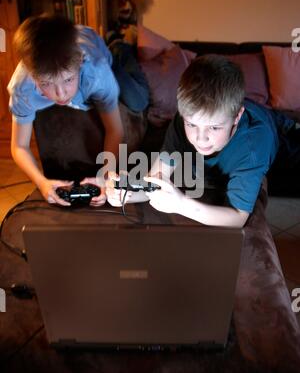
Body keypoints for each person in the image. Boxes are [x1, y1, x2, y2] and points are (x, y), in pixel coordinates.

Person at [106, 54, 299, 228]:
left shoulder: (253, 147)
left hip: (274, 128)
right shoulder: (181, 121)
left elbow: (238, 217)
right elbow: (157, 180)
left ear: (236, 118)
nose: (201, 138)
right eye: (192, 124)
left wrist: (182, 204)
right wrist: (127, 194)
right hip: (235, 111)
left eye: (214, 128)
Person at [8, 14, 124, 207]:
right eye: (46, 83)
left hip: (96, 45)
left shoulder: (97, 72)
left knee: (133, 94)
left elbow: (115, 130)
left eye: (68, 80)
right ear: (31, 75)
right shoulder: (22, 87)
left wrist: (105, 176)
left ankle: (120, 45)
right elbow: (19, 146)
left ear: (79, 63)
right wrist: (41, 182)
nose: (60, 94)